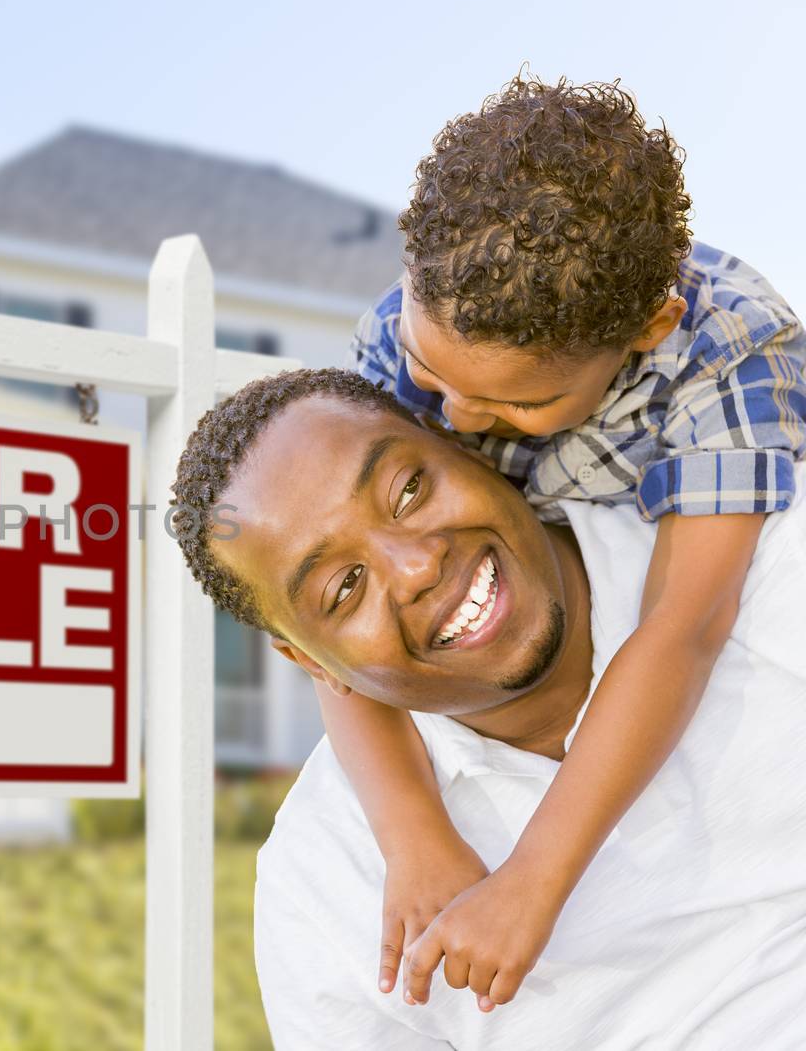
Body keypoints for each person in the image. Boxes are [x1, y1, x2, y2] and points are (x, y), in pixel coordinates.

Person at [332, 75, 806, 1009]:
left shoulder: (733, 351)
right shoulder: (402, 332)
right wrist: (413, 832)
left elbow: (685, 623)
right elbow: (326, 611)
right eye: (434, 373)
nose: (454, 416)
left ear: (648, 329)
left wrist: (532, 881)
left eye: (518, 402)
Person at [170, 368, 806, 1048]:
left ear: (466, 444)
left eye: (409, 489)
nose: (415, 566)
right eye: (344, 587)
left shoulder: (768, 559)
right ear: (314, 664)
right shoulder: (326, 882)